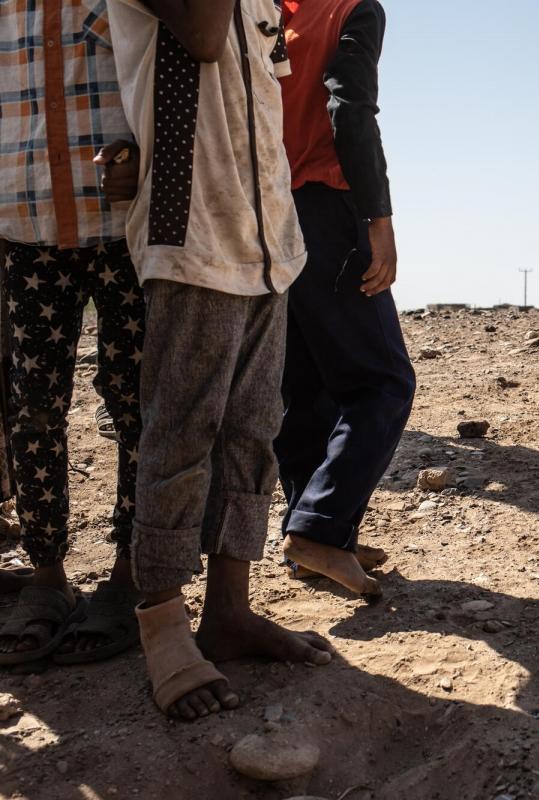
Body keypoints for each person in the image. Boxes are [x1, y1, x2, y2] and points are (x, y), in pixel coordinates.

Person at [106, 0, 333, 721]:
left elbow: (269, 94)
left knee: (253, 430)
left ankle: (228, 613)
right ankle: (162, 624)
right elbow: (202, 35)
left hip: (267, 240)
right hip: (191, 229)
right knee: (179, 433)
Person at [0, 1, 146, 665]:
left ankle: (129, 574)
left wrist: (144, 152)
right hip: (23, 224)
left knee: (133, 401)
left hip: (121, 223)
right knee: (32, 405)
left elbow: (159, 72)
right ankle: (47, 577)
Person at [274, 0, 415, 598]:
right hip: (326, 210)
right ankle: (320, 533)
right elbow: (350, 109)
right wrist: (378, 218)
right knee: (382, 383)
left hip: (267, 211)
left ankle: (318, 536)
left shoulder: (269, 14)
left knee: (307, 389)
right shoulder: (354, 8)